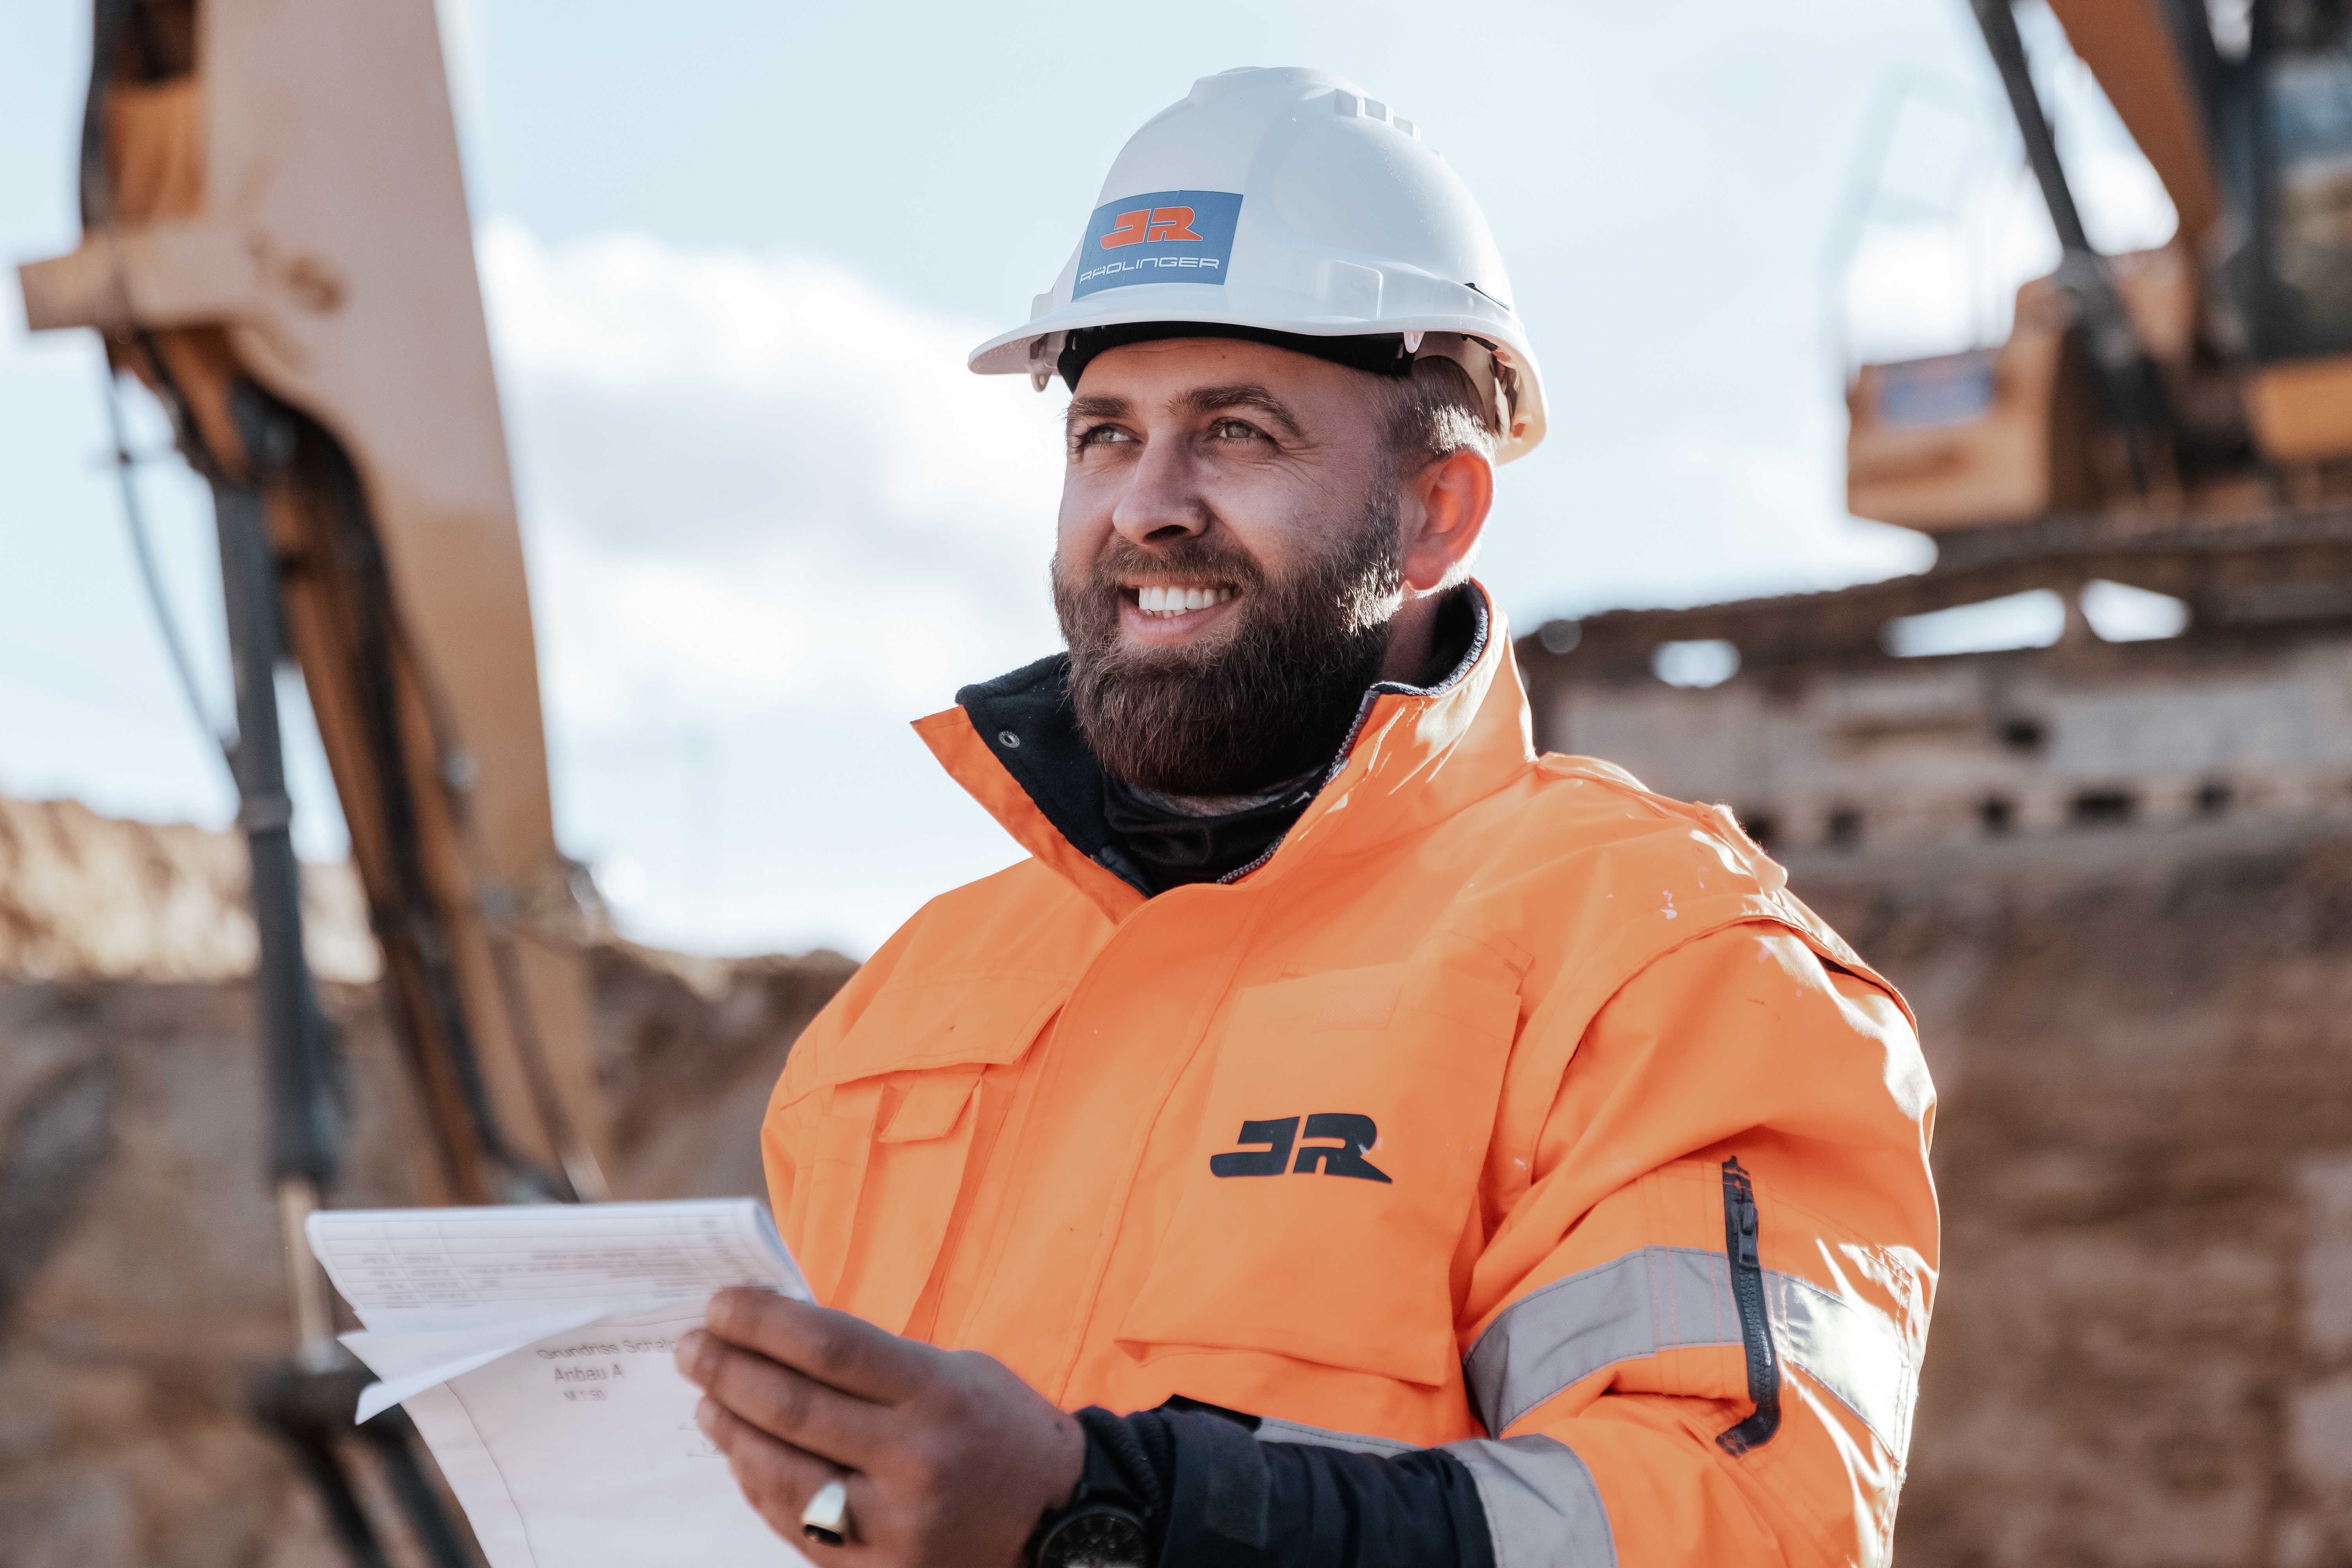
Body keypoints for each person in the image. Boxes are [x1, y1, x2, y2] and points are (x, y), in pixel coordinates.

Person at [673, 66, 1937, 1568]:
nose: (1145, 506)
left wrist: (1102, 1517)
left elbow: (1733, 1527)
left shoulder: (1656, 961)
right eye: (1102, 434)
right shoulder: (907, 1008)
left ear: (1436, 514)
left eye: (1237, 433)